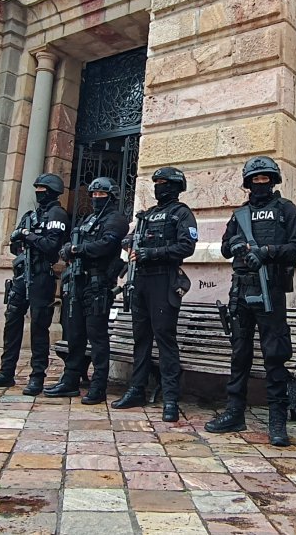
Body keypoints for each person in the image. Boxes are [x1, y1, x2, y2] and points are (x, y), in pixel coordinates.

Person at [205, 157, 296, 446]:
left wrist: (266, 251)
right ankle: (234, 412)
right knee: (239, 355)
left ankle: (277, 419)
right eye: (255, 180)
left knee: (275, 356)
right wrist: (238, 245)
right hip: (240, 292)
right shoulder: (239, 214)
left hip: (270, 290)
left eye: (265, 179)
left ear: (273, 181)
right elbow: (226, 248)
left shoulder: (286, 210)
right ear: (248, 183)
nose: (260, 184)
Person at [111, 167, 197, 422]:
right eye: (156, 182)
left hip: (164, 280)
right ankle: (137, 389)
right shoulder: (147, 215)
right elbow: (133, 238)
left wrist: (152, 253)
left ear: (175, 186)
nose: (159, 186)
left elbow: (186, 246)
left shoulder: (181, 214)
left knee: (165, 339)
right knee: (141, 339)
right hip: (141, 282)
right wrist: (128, 242)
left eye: (164, 183)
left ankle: (170, 397)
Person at [0, 174, 70, 396]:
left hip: (41, 276)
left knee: (39, 327)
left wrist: (28, 236)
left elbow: (51, 246)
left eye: (42, 188)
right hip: (21, 276)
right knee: (12, 323)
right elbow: (14, 244)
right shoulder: (30, 216)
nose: (39, 191)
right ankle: (6, 372)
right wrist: (23, 237)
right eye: (37, 187)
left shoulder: (57, 214)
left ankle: (37, 377)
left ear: (52, 191)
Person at [44, 177, 130, 404]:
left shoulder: (116, 220)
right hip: (78, 283)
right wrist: (68, 249)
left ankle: (98, 386)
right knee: (74, 334)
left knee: (97, 336)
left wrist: (77, 249)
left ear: (111, 196)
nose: (96, 199)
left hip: (98, 285)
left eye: (101, 195)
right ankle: (70, 380)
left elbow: (106, 245)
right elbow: (72, 242)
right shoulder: (88, 219)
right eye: (93, 195)